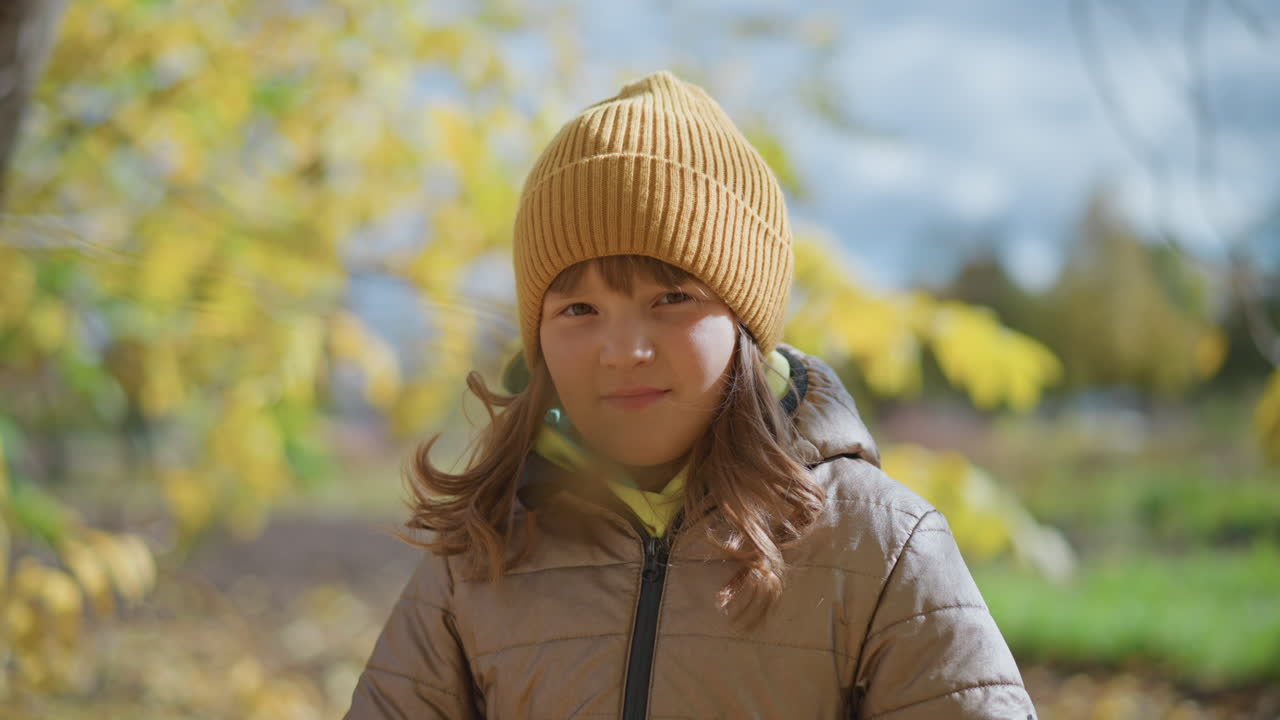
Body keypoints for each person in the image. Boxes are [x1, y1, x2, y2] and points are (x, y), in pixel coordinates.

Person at [344, 69, 1037, 719]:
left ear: (744, 324)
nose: (624, 350)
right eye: (578, 310)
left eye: (671, 298)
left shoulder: (880, 547)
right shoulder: (482, 554)